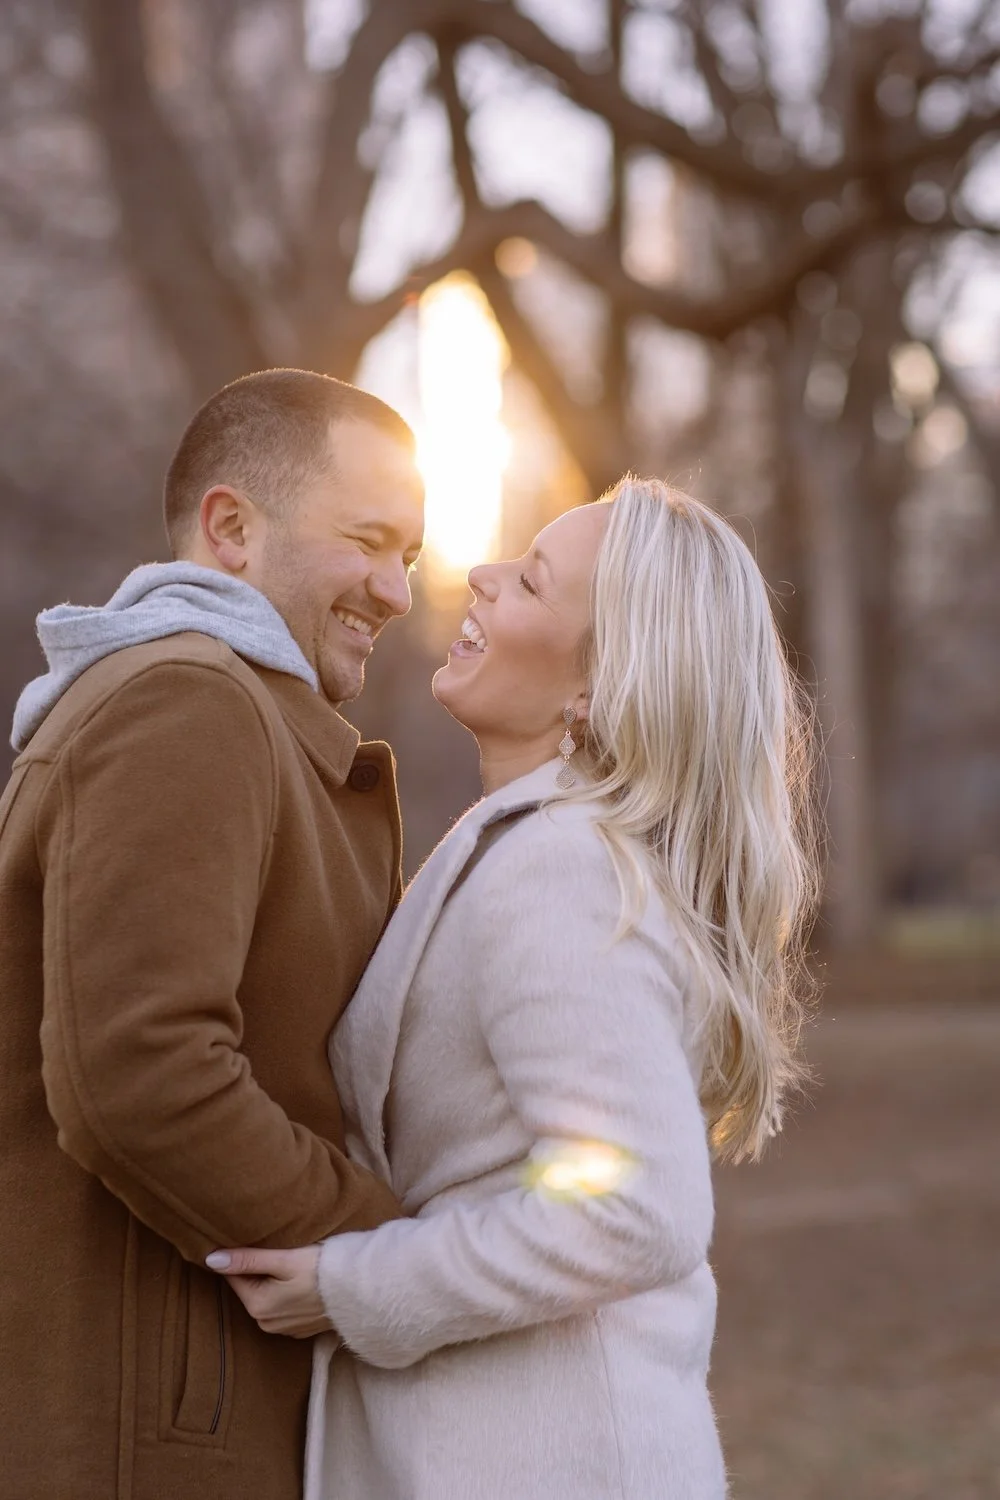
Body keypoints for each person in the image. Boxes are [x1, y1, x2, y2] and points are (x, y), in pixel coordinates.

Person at [209, 476, 820, 1500]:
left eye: (529, 583)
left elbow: (631, 1202)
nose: (481, 578)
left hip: (552, 1458)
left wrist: (353, 1285)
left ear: (594, 690)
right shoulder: (528, 847)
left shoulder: (561, 870)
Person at [0, 369, 425, 1500]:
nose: (397, 591)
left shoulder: (222, 708)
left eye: (412, 558)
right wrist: (391, 1248)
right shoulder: (187, 704)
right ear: (231, 528)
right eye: (370, 542)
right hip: (142, 1425)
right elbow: (141, 1072)